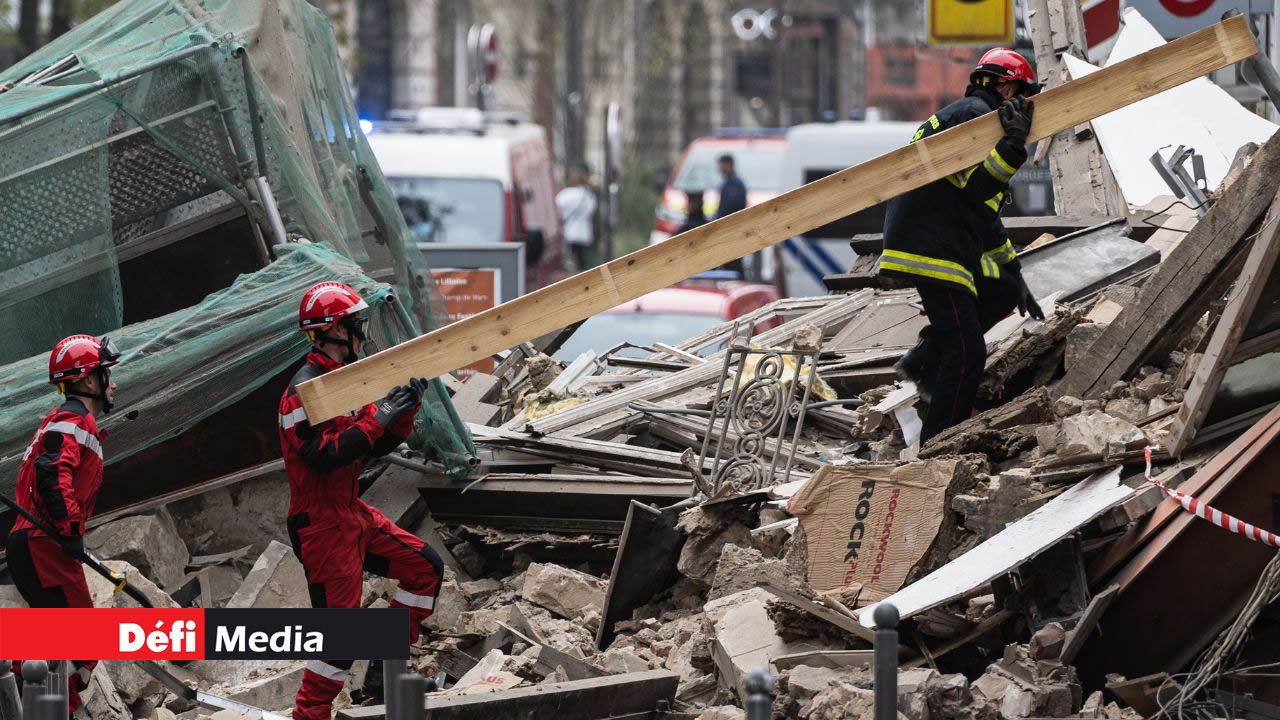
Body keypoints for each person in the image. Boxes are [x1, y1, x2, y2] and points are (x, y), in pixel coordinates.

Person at [279, 282, 444, 720]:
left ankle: (384, 681)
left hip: (350, 514)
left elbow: (372, 443)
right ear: (334, 331)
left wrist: (401, 412)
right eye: (356, 325)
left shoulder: (343, 382)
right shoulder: (304, 392)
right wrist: (379, 420)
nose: (362, 334)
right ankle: (309, 715)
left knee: (424, 569)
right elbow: (323, 455)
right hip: (321, 524)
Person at [878, 48, 1044, 445]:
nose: (1026, 106)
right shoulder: (975, 119)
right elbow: (977, 190)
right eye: (1022, 94)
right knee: (967, 352)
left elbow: (985, 211)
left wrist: (1014, 273)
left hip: (938, 239)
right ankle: (940, 445)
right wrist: (1013, 146)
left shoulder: (968, 113)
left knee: (1000, 290)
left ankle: (924, 357)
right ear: (1005, 86)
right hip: (933, 247)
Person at [6, 334, 122, 715]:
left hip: (34, 543)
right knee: (79, 645)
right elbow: (52, 473)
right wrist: (72, 531)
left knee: (58, 645)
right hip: (46, 545)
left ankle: (48, 707)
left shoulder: (59, 423)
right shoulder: (74, 420)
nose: (114, 383)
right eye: (107, 374)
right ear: (89, 381)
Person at [555, 163, 598, 270]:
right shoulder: (588, 195)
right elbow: (592, 210)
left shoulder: (563, 195)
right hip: (584, 236)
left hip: (570, 235)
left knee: (571, 267)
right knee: (583, 267)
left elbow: (557, 212)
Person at [714, 154, 748, 274]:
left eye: (722, 165)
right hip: (728, 230)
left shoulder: (735, 185)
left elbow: (730, 208)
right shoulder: (728, 184)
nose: (720, 168)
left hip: (732, 230)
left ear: (728, 165)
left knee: (733, 263)